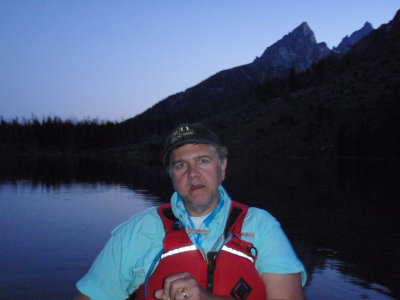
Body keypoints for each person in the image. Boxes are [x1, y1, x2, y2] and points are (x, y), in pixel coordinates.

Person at [75, 122, 307, 300]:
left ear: (222, 167)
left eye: (203, 161)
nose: (192, 173)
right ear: (172, 176)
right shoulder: (137, 231)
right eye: (180, 165)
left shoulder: (261, 226)